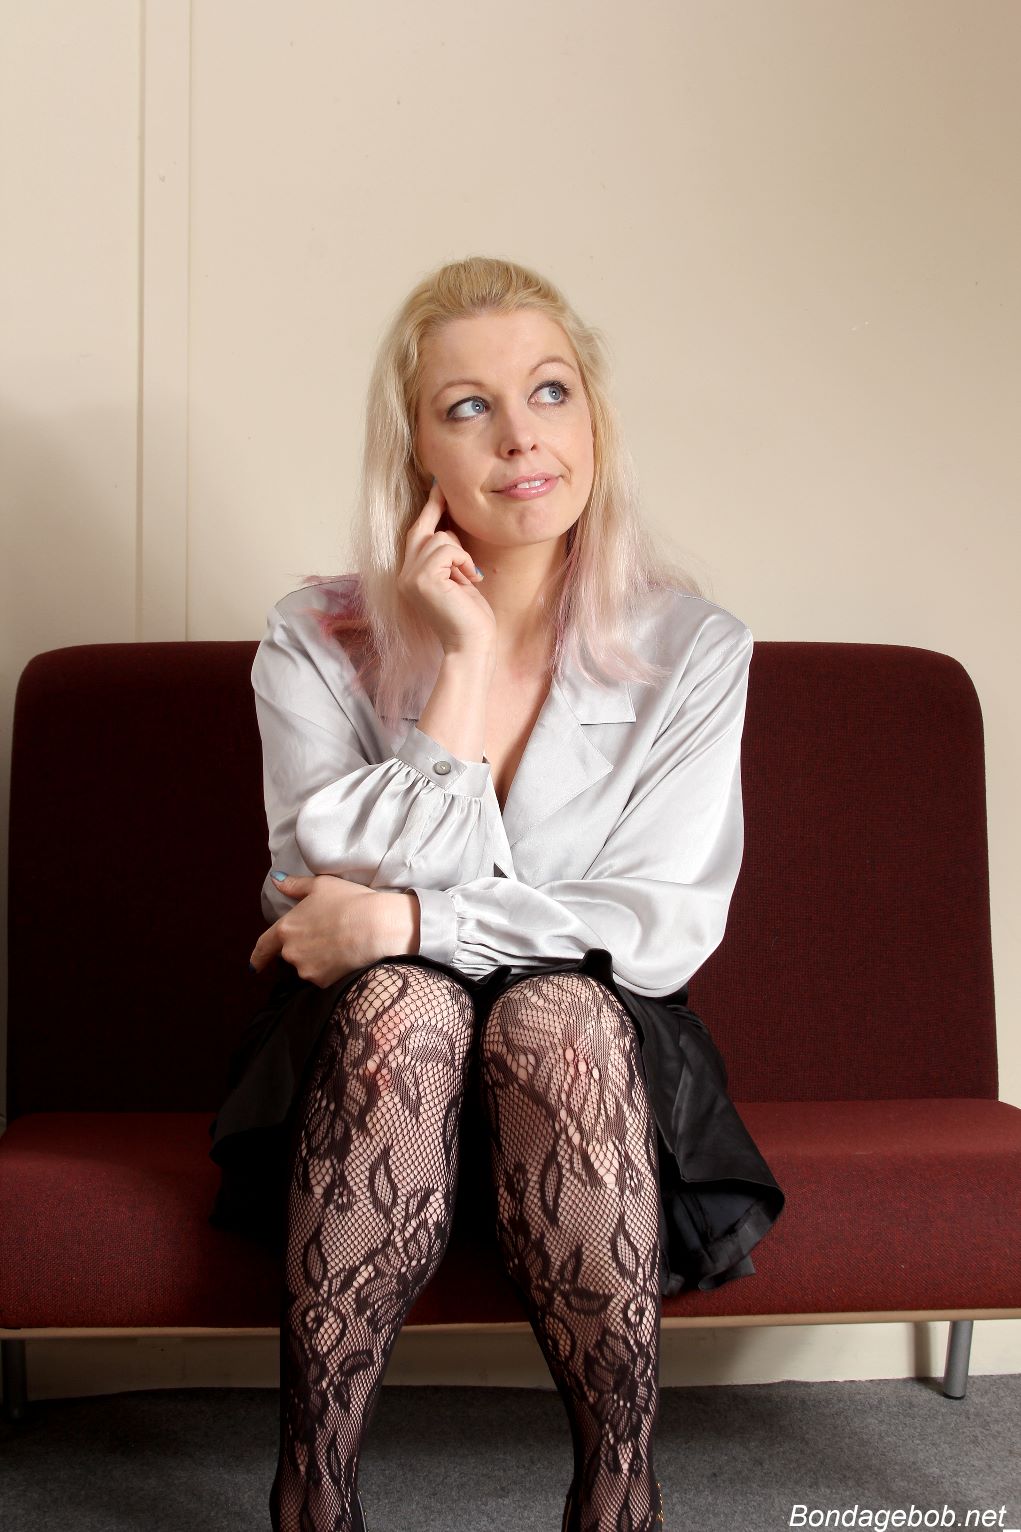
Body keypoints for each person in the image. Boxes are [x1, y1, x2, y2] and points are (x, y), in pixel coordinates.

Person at [207, 254, 784, 1532]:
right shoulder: (314, 635)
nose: (521, 435)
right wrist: (460, 672)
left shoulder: (694, 647)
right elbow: (313, 876)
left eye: (549, 391)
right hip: (364, 1078)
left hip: (589, 1080)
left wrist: (410, 917)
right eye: (467, 406)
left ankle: (618, 1496)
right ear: (416, 449)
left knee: (552, 1012)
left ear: (593, 419)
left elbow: (653, 922)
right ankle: (313, 1495)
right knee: (408, 1006)